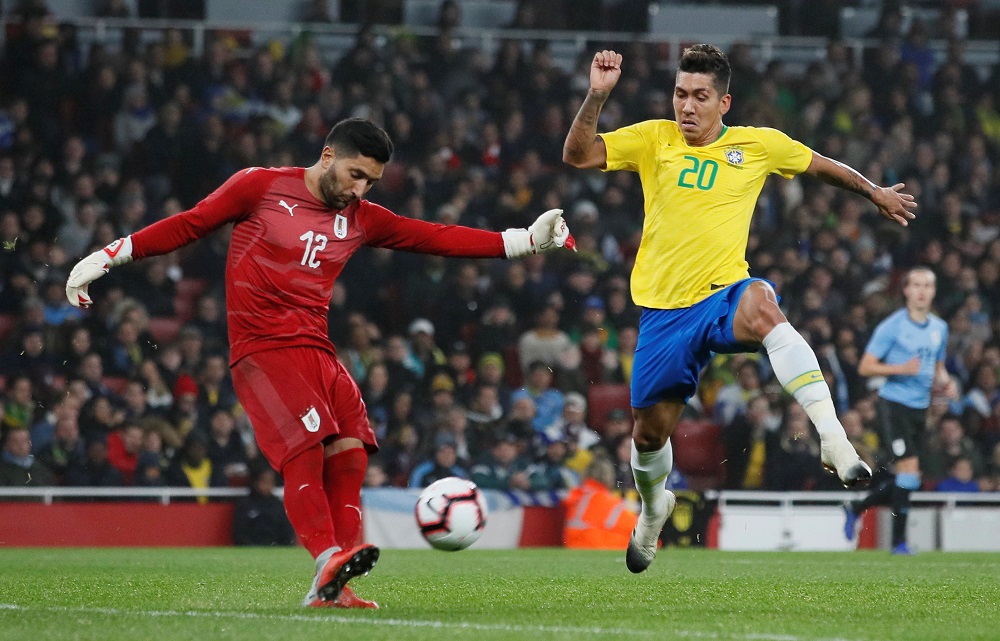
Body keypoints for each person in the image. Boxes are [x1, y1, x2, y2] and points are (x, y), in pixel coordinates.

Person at [64, 117, 574, 608]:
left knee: (351, 449)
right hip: (263, 352)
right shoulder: (260, 187)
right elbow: (191, 224)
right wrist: (112, 255)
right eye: (356, 175)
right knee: (307, 450)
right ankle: (328, 557)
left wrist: (523, 241)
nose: (360, 190)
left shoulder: (362, 218)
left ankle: (338, 578)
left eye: (371, 182)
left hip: (318, 351)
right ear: (327, 155)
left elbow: (433, 236)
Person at [563, 46, 916, 573]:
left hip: (724, 294)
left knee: (764, 305)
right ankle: (655, 507)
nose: (687, 106)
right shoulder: (652, 138)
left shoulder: (758, 146)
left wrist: (875, 193)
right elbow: (578, 155)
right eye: (680, 94)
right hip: (663, 314)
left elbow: (824, 167)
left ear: (723, 102)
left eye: (700, 97)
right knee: (648, 435)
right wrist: (596, 95)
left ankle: (833, 436)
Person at [844, 268, 957, 555]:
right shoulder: (891, 326)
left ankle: (857, 506)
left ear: (933, 291)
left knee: (911, 478)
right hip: (893, 405)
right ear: (906, 290)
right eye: (916, 284)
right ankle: (899, 543)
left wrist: (948, 384)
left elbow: (938, 366)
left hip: (921, 408)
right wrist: (900, 369)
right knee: (908, 471)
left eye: (928, 285)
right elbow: (865, 366)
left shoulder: (939, 328)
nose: (922, 290)